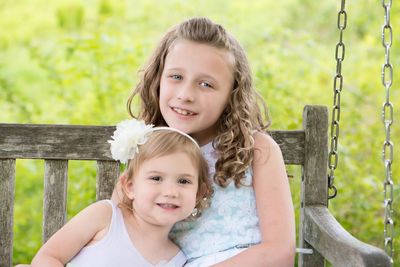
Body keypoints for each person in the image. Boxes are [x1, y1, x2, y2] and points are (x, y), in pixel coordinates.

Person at [117, 17, 296, 266]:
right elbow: (118, 236)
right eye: (176, 77)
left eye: (206, 84)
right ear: (158, 80)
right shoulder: (148, 151)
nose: (185, 95)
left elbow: (279, 252)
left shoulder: (256, 150)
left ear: (231, 96)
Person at [29, 119, 213, 267]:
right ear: (130, 186)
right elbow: (49, 257)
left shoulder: (177, 260)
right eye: (156, 178)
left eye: (184, 181)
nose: (171, 192)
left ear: (198, 194)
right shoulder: (106, 217)